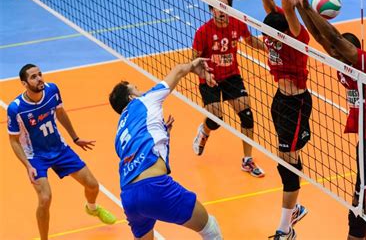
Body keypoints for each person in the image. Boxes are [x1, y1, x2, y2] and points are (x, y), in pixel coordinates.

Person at [280, 0, 366, 240]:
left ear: (353, 52)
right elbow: (325, 40)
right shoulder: (344, 69)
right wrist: (299, 6)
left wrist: (309, 7)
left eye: (341, 52)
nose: (335, 55)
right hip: (365, 147)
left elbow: (332, 37)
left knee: (358, 210)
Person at [108, 58, 223, 240]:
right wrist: (193, 66)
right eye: (136, 88)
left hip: (129, 197)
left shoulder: (119, 132)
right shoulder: (145, 100)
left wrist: (164, 133)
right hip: (154, 187)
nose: (141, 90)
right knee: (211, 229)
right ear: (132, 97)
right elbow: (177, 70)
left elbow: (142, 152)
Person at [6, 64, 116, 240]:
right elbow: (13, 140)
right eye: (33, 77)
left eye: (40, 74)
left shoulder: (52, 90)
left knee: (93, 185)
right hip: (36, 157)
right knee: (45, 199)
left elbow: (61, 112)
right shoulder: (16, 108)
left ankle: (92, 208)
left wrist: (75, 138)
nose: (39, 78)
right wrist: (27, 165)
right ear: (24, 83)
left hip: (60, 149)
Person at [260, 0, 310, 239]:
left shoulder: (296, 39)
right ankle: (294, 209)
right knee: (284, 158)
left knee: (289, 161)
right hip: (279, 101)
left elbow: (290, 18)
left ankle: (284, 228)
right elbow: (268, 3)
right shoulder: (272, 29)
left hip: (297, 103)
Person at [192, 0, 267, 177]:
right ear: (211, 10)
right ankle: (204, 131)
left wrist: (270, 49)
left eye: (224, 7)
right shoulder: (203, 32)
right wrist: (204, 73)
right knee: (216, 120)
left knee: (247, 115)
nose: (221, 11)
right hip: (209, 78)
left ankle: (247, 160)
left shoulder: (237, 24)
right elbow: (194, 61)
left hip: (232, 77)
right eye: (217, 8)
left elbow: (250, 41)